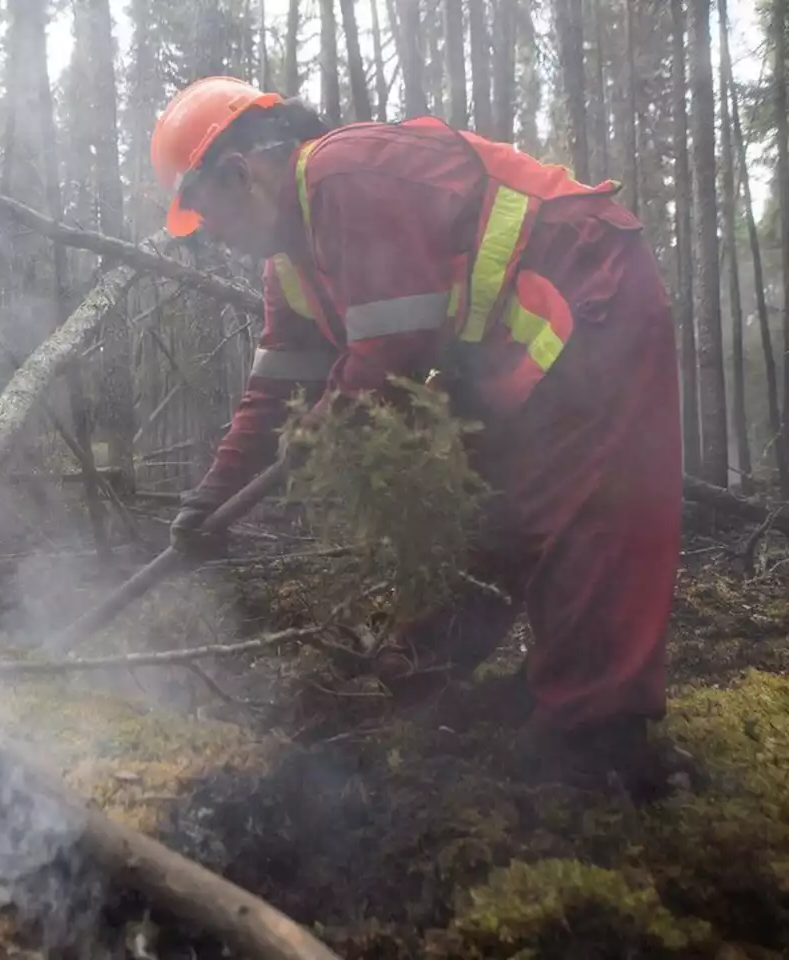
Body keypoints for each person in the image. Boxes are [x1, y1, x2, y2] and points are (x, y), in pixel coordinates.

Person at [151, 77, 687, 798]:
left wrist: (323, 430)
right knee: (482, 511)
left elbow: (390, 346)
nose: (212, 238)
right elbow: (275, 392)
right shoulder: (292, 265)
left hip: (591, 285)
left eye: (204, 215)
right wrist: (211, 498)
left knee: (587, 509)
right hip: (507, 348)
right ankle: (426, 673)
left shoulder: (344, 173)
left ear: (236, 173)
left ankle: (601, 739)